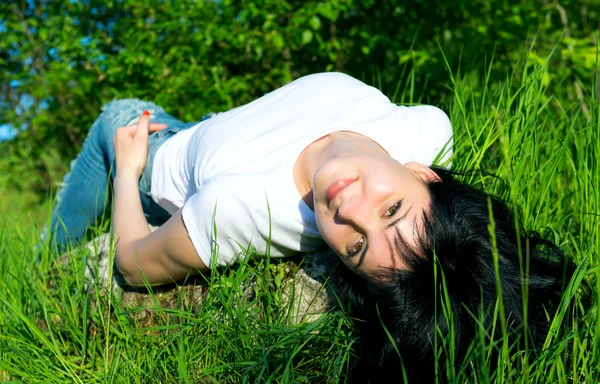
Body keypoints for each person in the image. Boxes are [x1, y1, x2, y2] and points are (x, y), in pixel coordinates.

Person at [46, 72, 574, 381]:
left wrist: (129, 169)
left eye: (358, 245)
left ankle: (44, 257)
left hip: (148, 146)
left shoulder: (238, 209)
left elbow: (133, 264)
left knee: (56, 244)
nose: (350, 209)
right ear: (424, 171)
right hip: (204, 128)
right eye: (391, 210)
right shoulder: (428, 128)